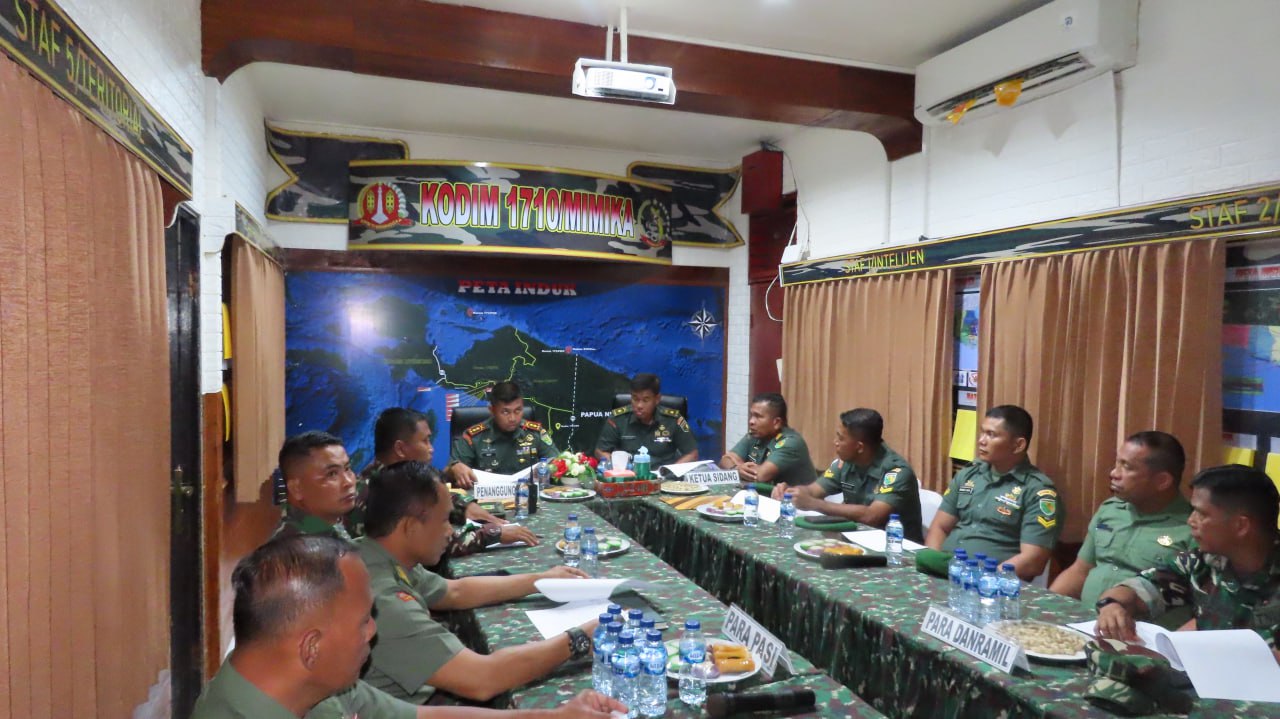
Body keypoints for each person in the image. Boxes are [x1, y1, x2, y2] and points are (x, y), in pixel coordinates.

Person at [193, 534, 625, 718]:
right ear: (311, 647)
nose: (372, 632)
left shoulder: (313, 684)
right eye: (363, 622)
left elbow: (420, 716)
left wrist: (553, 716)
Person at [357, 461, 597, 703]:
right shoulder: (385, 601)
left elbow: (455, 591)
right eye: (444, 520)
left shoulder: (375, 555)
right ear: (410, 527)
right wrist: (579, 638)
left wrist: (541, 580)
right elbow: (483, 678)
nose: (451, 532)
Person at [1095, 465, 1280, 662]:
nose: (1191, 521)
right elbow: (1140, 588)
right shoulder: (1203, 562)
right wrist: (1111, 606)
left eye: (1202, 514)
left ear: (1240, 525)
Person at [1050, 431, 1193, 627]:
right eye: (1117, 463)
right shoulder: (1110, 510)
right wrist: (1044, 607)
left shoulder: (1192, 528)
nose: (1114, 473)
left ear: (1162, 481)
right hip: (1085, 624)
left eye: (1127, 467)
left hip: (1139, 636)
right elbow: (1080, 570)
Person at [361, 408, 536, 555]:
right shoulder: (379, 493)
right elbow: (433, 542)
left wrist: (464, 506)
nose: (431, 449)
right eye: (425, 441)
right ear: (400, 449)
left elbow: (432, 491)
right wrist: (493, 534)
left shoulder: (401, 476)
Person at [925, 405, 1061, 581]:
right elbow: (940, 526)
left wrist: (984, 580)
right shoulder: (969, 474)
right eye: (982, 433)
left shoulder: (1038, 491)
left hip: (991, 583)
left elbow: (1033, 560)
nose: (981, 441)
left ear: (1018, 445)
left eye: (991, 435)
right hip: (945, 573)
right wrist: (932, 564)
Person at [773, 408, 923, 542]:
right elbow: (813, 490)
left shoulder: (896, 472)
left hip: (897, 549)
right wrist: (792, 492)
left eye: (841, 438)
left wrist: (814, 504)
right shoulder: (847, 462)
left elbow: (872, 516)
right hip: (858, 539)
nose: (835, 442)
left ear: (859, 447)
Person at [449, 382, 559, 487]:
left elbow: (557, 463)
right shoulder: (473, 437)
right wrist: (454, 468)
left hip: (527, 495)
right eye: (505, 412)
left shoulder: (535, 433)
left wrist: (553, 467)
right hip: (485, 496)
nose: (512, 418)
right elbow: (447, 473)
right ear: (492, 410)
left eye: (518, 410)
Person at [595, 373, 697, 467]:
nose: (639, 405)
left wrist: (670, 471)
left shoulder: (675, 419)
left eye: (645, 400)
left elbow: (692, 454)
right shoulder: (617, 418)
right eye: (635, 399)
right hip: (629, 476)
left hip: (664, 477)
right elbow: (600, 451)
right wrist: (618, 466)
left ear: (657, 399)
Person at [274, 431, 360, 541]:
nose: (348, 482)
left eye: (347, 469)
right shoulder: (293, 547)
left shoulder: (328, 530)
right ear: (296, 489)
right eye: (332, 474)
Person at [718, 393, 817, 487]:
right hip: (762, 496)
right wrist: (737, 468)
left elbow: (760, 476)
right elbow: (724, 461)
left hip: (794, 499)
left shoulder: (791, 443)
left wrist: (737, 466)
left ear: (776, 422)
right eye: (752, 415)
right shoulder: (754, 435)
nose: (751, 421)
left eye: (758, 416)